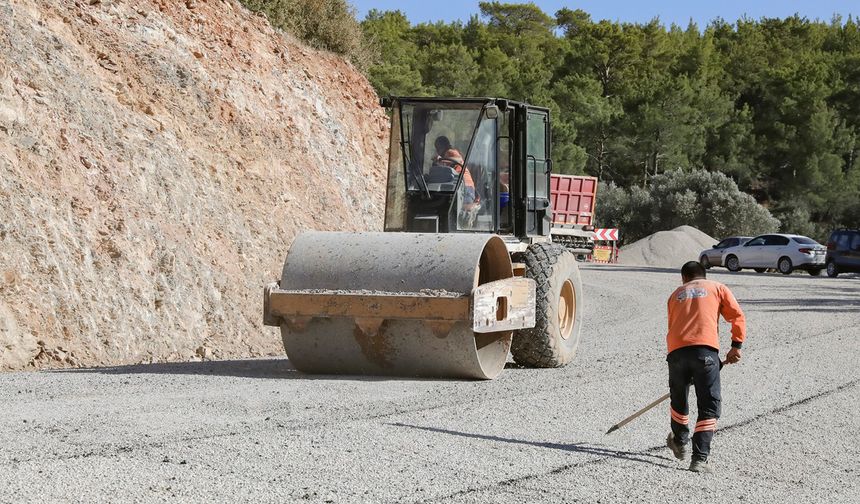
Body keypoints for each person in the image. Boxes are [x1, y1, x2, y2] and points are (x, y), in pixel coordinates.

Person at [665, 261, 746, 473]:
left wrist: (685, 363)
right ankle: (699, 459)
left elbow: (673, 325)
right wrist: (736, 346)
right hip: (706, 353)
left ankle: (679, 442)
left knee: (679, 400)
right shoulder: (717, 287)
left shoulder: (676, 294)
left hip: (676, 352)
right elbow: (737, 316)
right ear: (704, 275)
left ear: (684, 278)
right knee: (709, 405)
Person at [433, 136, 477, 204]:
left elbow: (459, 160)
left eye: (438, 148)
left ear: (444, 146)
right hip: (460, 186)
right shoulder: (446, 156)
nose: (437, 151)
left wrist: (441, 159)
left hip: (465, 186)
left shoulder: (450, 152)